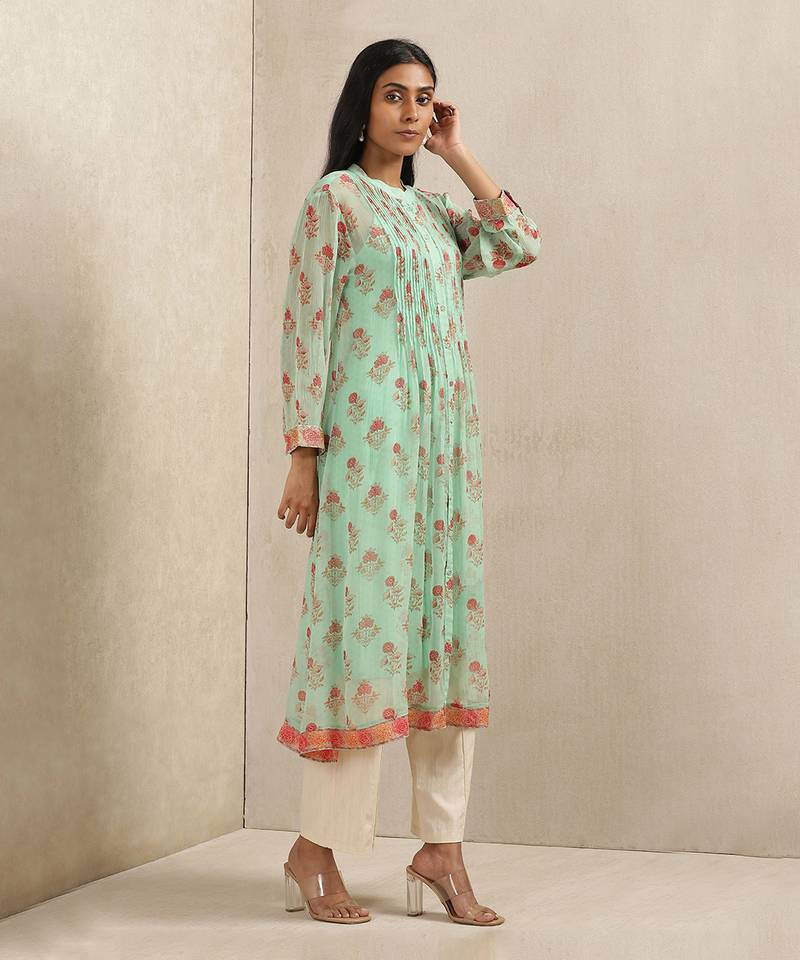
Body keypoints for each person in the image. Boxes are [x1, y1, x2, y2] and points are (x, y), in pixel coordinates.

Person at [275, 38, 542, 925]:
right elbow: (306, 327)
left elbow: (519, 243)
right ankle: (316, 847)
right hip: (369, 460)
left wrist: (458, 153)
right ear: (363, 105)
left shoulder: (433, 215)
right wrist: (304, 453)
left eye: (425, 99)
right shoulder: (336, 201)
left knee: (443, 646)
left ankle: (442, 848)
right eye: (395, 95)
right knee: (362, 642)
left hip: (444, 465)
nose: (413, 112)